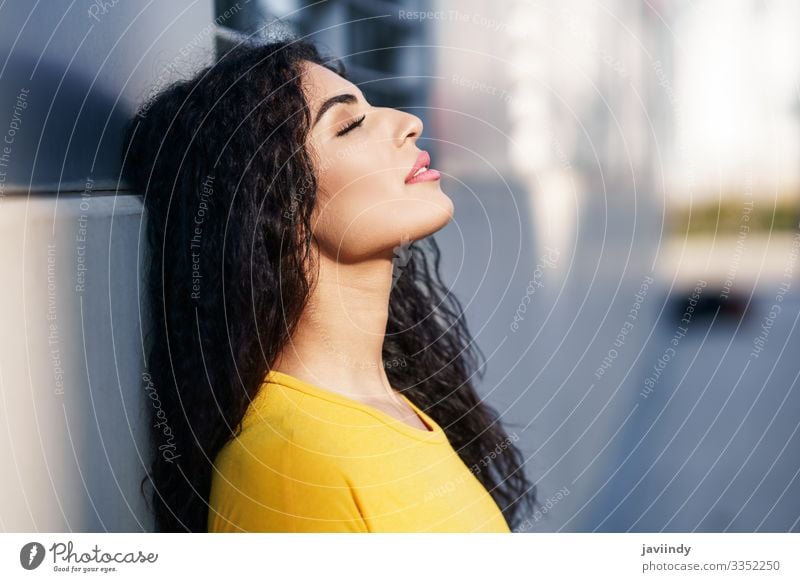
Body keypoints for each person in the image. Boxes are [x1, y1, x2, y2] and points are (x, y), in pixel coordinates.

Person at [122, 38, 536, 532]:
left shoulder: (397, 410)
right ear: (271, 206)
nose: (408, 123)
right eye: (351, 124)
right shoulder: (292, 466)